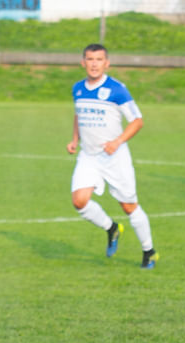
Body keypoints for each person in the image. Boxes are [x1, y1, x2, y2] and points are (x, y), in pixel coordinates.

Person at [67, 43, 158, 269]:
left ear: (106, 63)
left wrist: (117, 142)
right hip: (89, 156)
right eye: (90, 59)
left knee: (129, 206)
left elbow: (137, 121)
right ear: (83, 62)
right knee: (79, 201)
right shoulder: (78, 88)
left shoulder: (117, 89)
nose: (94, 64)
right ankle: (112, 228)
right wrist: (75, 140)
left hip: (114, 157)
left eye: (99, 59)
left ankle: (149, 251)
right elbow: (79, 115)